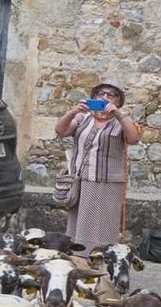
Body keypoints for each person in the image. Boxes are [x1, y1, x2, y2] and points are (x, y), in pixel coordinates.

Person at [55, 83, 139, 253]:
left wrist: (118, 115)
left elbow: (133, 139)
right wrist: (72, 112)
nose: (105, 98)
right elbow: (61, 131)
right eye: (101, 94)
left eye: (111, 95)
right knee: (77, 223)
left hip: (106, 183)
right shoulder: (82, 118)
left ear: (118, 101)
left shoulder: (121, 121)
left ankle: (98, 259)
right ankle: (77, 258)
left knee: (102, 225)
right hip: (79, 181)